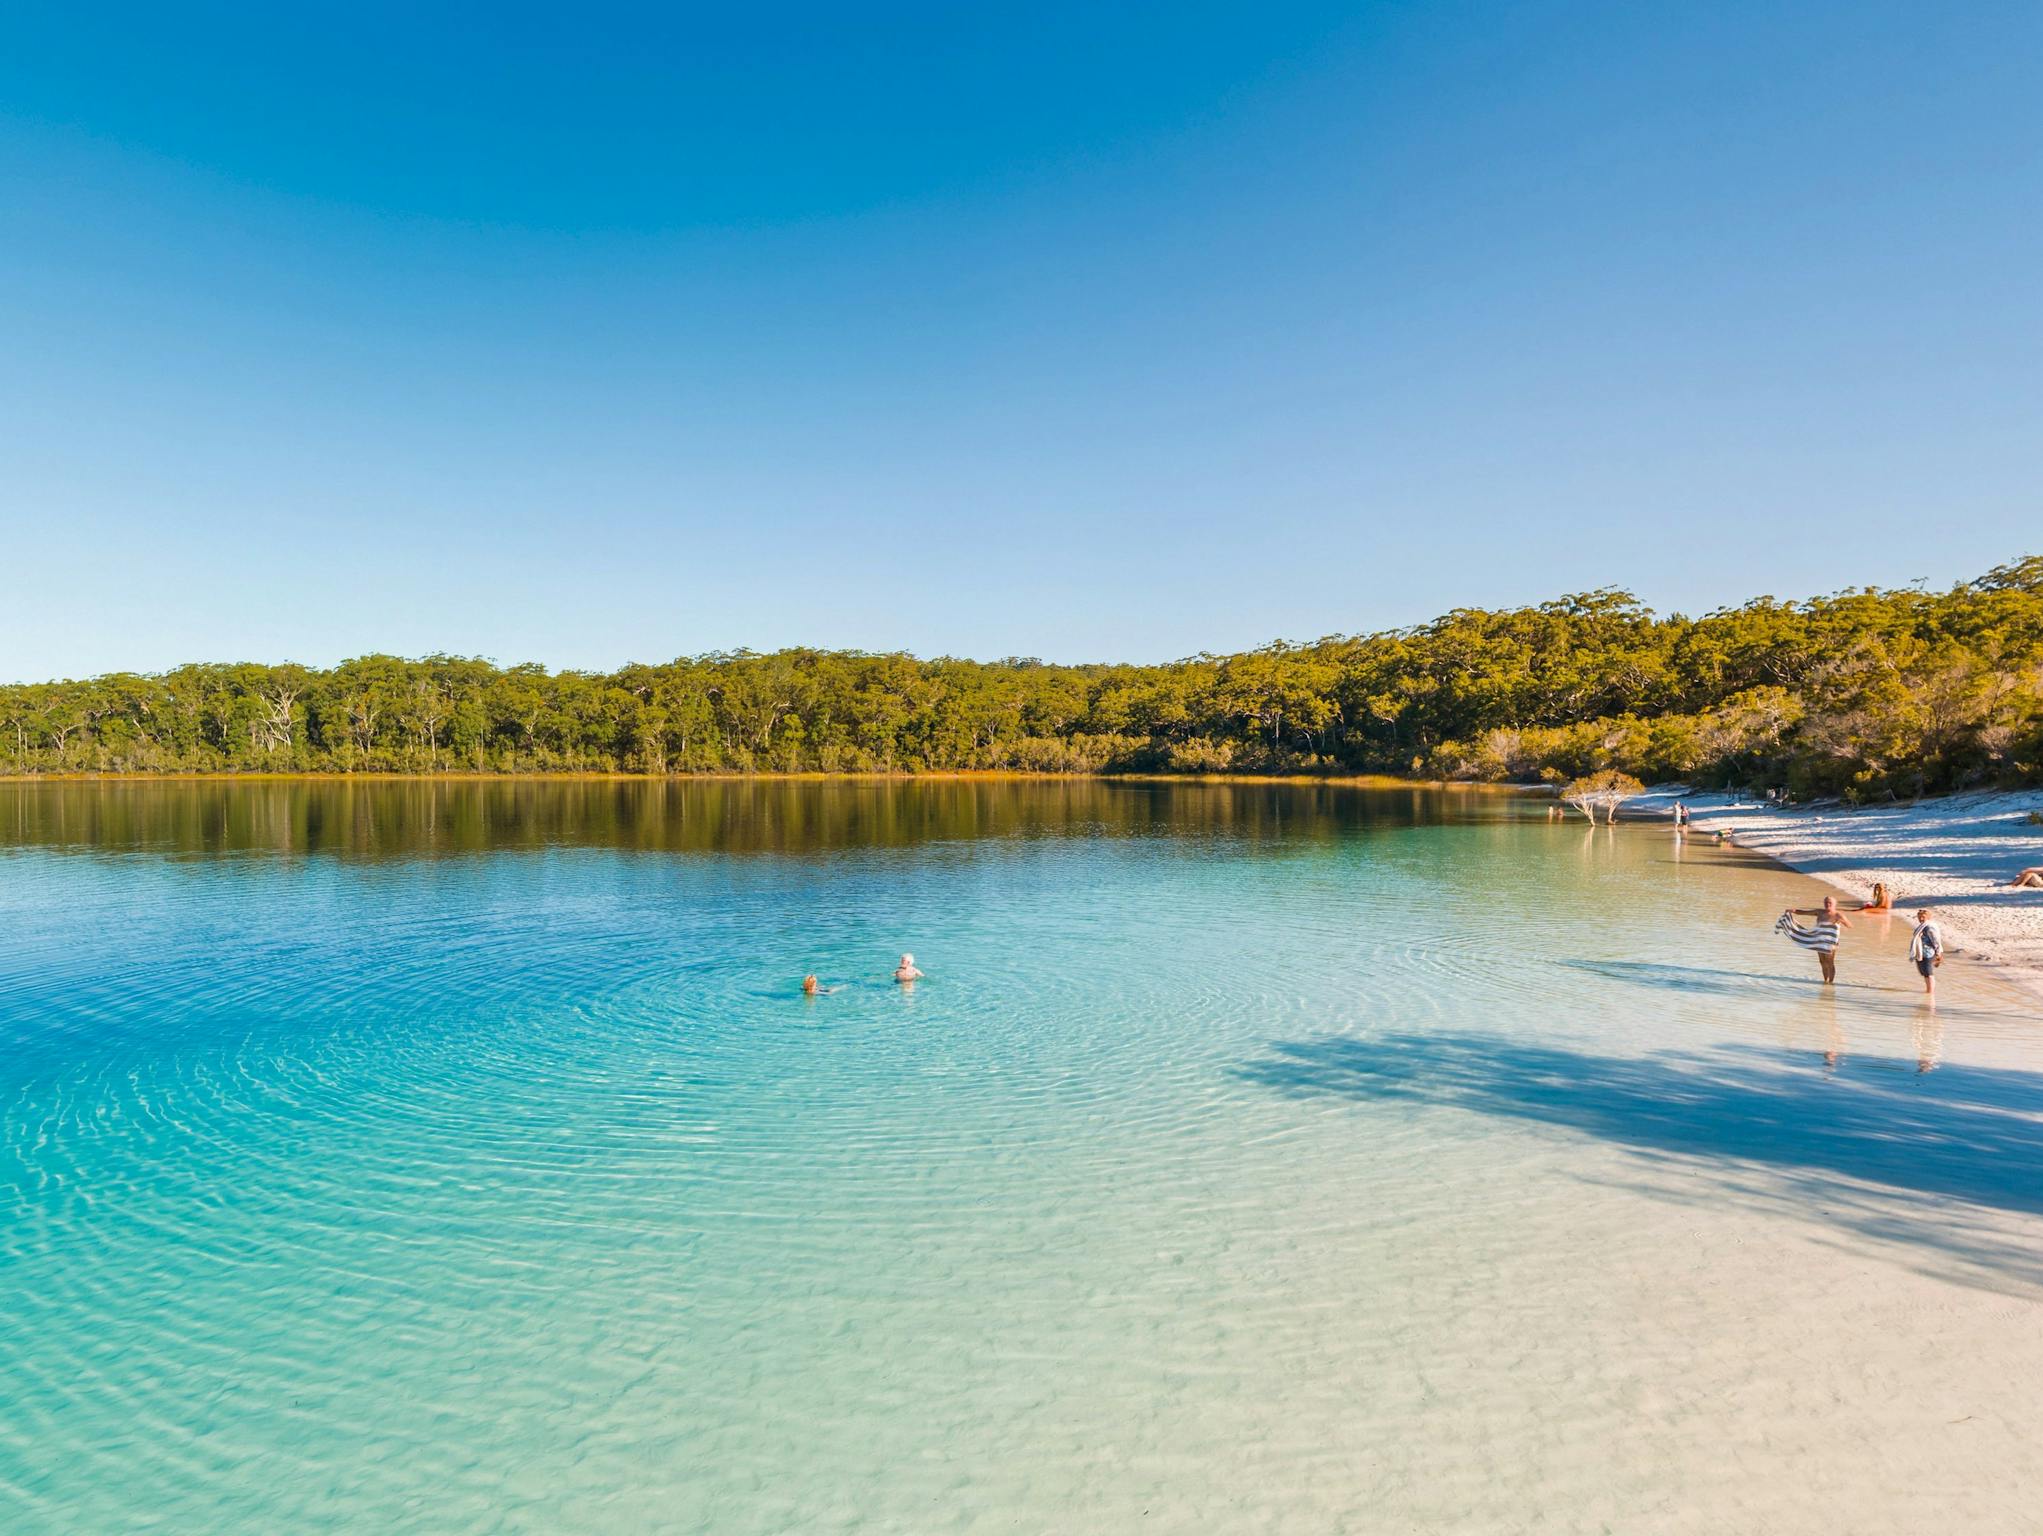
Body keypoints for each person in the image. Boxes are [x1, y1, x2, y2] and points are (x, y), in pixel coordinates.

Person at [1776, 896, 1850, 984]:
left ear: (1834, 904)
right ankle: (1825, 981)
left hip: (1831, 943)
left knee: (1830, 962)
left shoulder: (1838, 915)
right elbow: (1804, 912)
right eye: (1826, 902)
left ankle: (1831, 982)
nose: (1827, 904)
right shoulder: (1819, 912)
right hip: (1819, 940)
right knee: (1822, 961)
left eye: (1830, 902)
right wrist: (1793, 911)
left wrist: (1842, 924)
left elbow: (1849, 925)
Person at [1908, 908, 1945, 998]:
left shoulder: (1929, 927)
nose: (1921, 919)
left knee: (1929, 974)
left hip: (1928, 953)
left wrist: (1938, 953)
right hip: (1921, 952)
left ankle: (1930, 993)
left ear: (1928, 917)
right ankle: (1928, 991)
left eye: (1923, 917)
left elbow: (1936, 940)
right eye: (1919, 917)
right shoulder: (1922, 925)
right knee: (1924, 973)